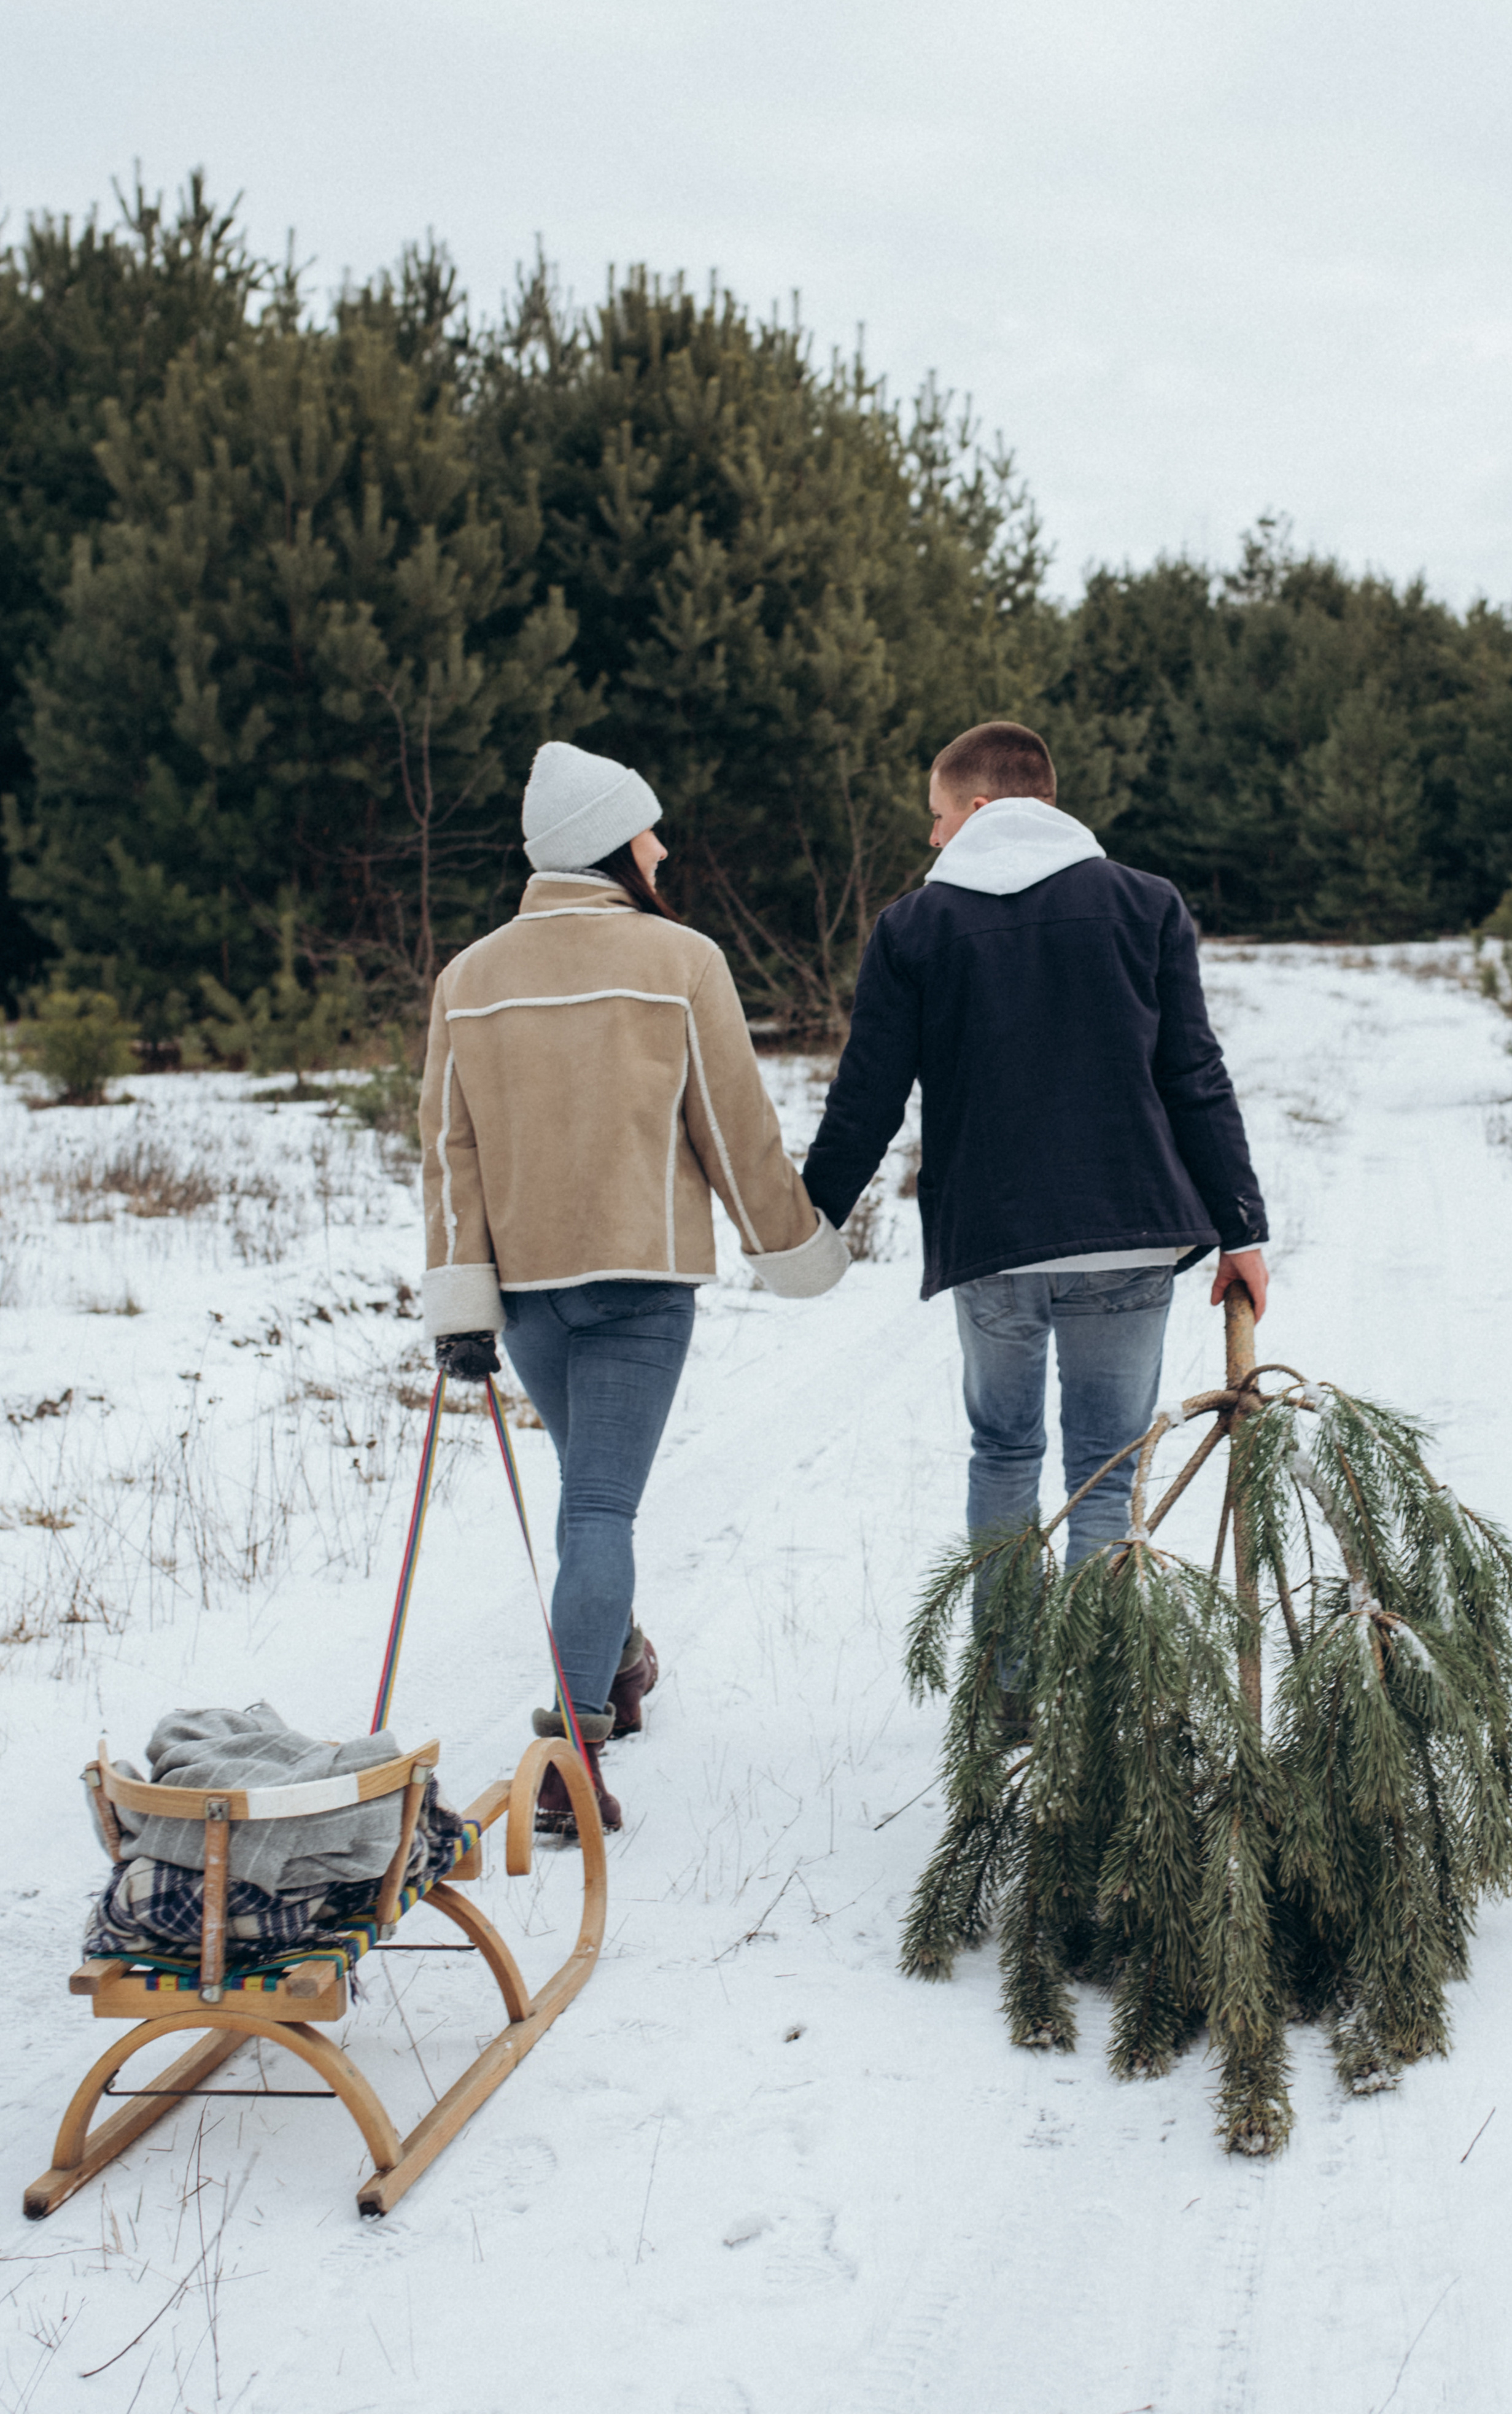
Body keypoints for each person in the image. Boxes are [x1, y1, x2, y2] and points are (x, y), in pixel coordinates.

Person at [419, 740, 848, 1833]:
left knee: (589, 1498)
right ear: (613, 844)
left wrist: (464, 1303)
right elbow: (734, 1123)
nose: (665, 848)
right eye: (650, 831)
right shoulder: (680, 959)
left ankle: (622, 1662)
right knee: (601, 1508)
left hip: (527, 1295)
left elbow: (448, 1153)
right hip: (640, 1285)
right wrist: (792, 1242)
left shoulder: (467, 978)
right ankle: (571, 1760)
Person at [802, 719, 1268, 1593]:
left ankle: (1008, 1687)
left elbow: (868, 1096)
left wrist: (809, 1217)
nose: (932, 836)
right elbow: (1194, 1077)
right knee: (1108, 1465)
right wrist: (1242, 1228)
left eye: (937, 816)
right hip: (1128, 1231)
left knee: (1003, 1454)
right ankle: (1095, 1696)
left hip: (993, 1238)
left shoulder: (913, 927)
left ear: (978, 807)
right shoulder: (1148, 904)